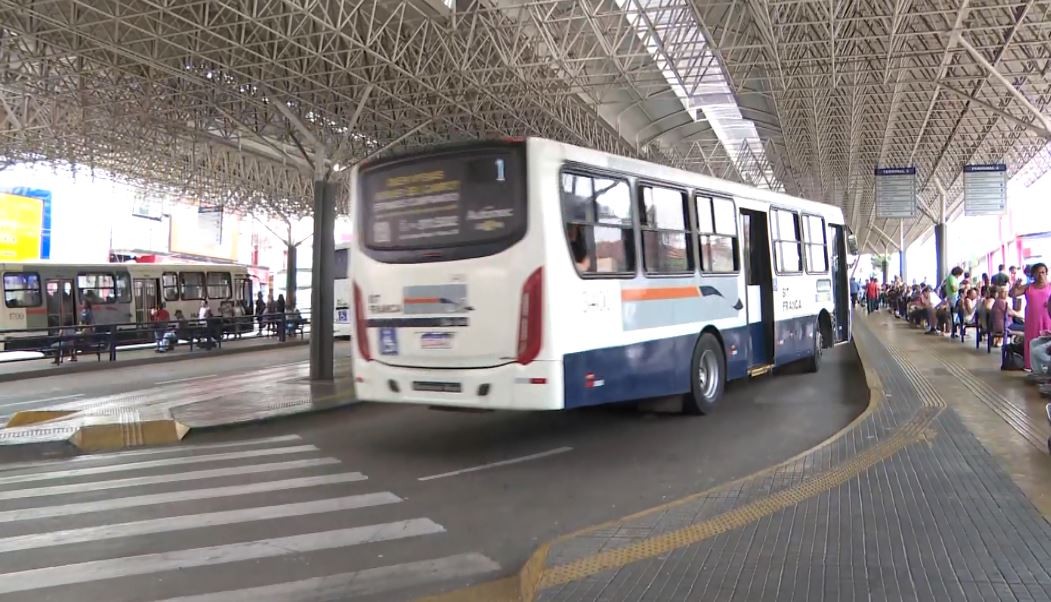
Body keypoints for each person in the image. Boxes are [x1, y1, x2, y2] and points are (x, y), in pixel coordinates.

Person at [1011, 262, 1051, 371]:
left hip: (1048, 318)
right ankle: (1032, 366)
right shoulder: (1028, 287)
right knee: (1032, 340)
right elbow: (1012, 294)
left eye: (1043, 272)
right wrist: (1015, 286)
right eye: (1038, 273)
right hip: (1032, 319)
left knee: (1047, 341)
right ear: (1032, 275)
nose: (1041, 275)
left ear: (1046, 273)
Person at [945, 266, 963, 338]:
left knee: (954, 314)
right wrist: (959, 288)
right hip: (953, 297)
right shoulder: (951, 278)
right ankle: (954, 330)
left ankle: (955, 330)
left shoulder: (951, 278)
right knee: (954, 314)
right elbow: (953, 288)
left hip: (953, 297)